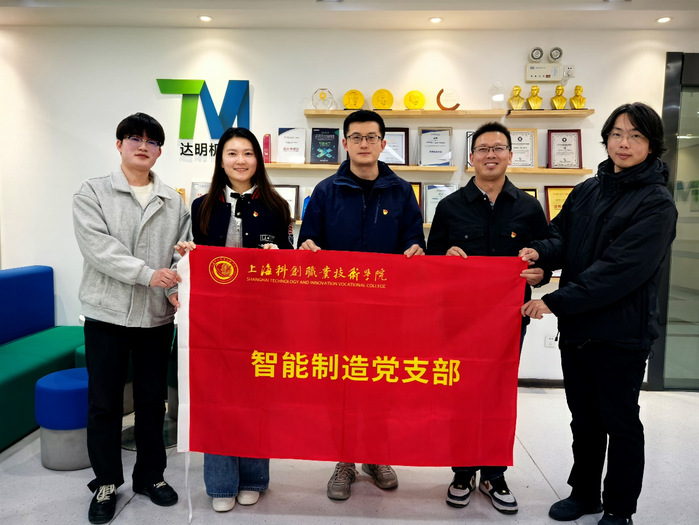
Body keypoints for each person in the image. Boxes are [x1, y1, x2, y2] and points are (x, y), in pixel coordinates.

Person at [520, 102, 678, 525]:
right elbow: (560, 235)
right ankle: (584, 494)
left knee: (620, 422)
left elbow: (619, 270)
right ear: (606, 138)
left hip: (622, 333)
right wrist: (541, 256)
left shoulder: (657, 203)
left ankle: (620, 508)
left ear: (651, 145)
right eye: (617, 134)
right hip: (578, 330)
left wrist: (555, 300)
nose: (624, 143)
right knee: (584, 419)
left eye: (636, 136)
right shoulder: (588, 189)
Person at [298, 109, 425, 500]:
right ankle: (345, 460)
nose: (364, 144)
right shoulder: (325, 191)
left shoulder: (402, 191)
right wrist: (308, 247)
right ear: (345, 143)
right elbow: (307, 243)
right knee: (341, 387)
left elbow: (415, 241)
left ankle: (376, 455)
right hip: (338, 310)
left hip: (386, 311)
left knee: (380, 384)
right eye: (356, 137)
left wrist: (416, 250)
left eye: (371, 137)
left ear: (383, 144)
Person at [427, 121, 549, 515]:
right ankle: (462, 472)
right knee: (462, 394)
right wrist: (445, 258)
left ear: (510, 155)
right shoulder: (450, 207)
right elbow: (431, 261)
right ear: (472, 157)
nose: (490, 155)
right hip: (460, 321)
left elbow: (545, 254)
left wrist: (541, 272)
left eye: (498, 148)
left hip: (509, 321)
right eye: (483, 148)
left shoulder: (528, 207)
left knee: (498, 395)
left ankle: (495, 474)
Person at [73, 113, 189, 524]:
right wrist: (147, 274)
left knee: (152, 402)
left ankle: (150, 476)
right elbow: (97, 248)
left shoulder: (174, 200)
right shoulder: (93, 192)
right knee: (104, 403)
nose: (143, 146)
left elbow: (180, 254)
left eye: (151, 141)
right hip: (106, 314)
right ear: (119, 144)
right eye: (134, 138)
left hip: (155, 319)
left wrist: (174, 288)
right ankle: (106, 482)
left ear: (160, 151)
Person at [174, 127, 294, 513]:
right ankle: (221, 483)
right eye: (232, 153)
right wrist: (187, 253)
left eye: (248, 153)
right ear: (221, 160)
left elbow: (290, 260)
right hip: (213, 320)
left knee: (257, 398)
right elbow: (193, 258)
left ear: (258, 160)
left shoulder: (276, 205)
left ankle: (255, 478)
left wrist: (279, 255)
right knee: (216, 401)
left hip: (261, 319)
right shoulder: (201, 205)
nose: (240, 160)